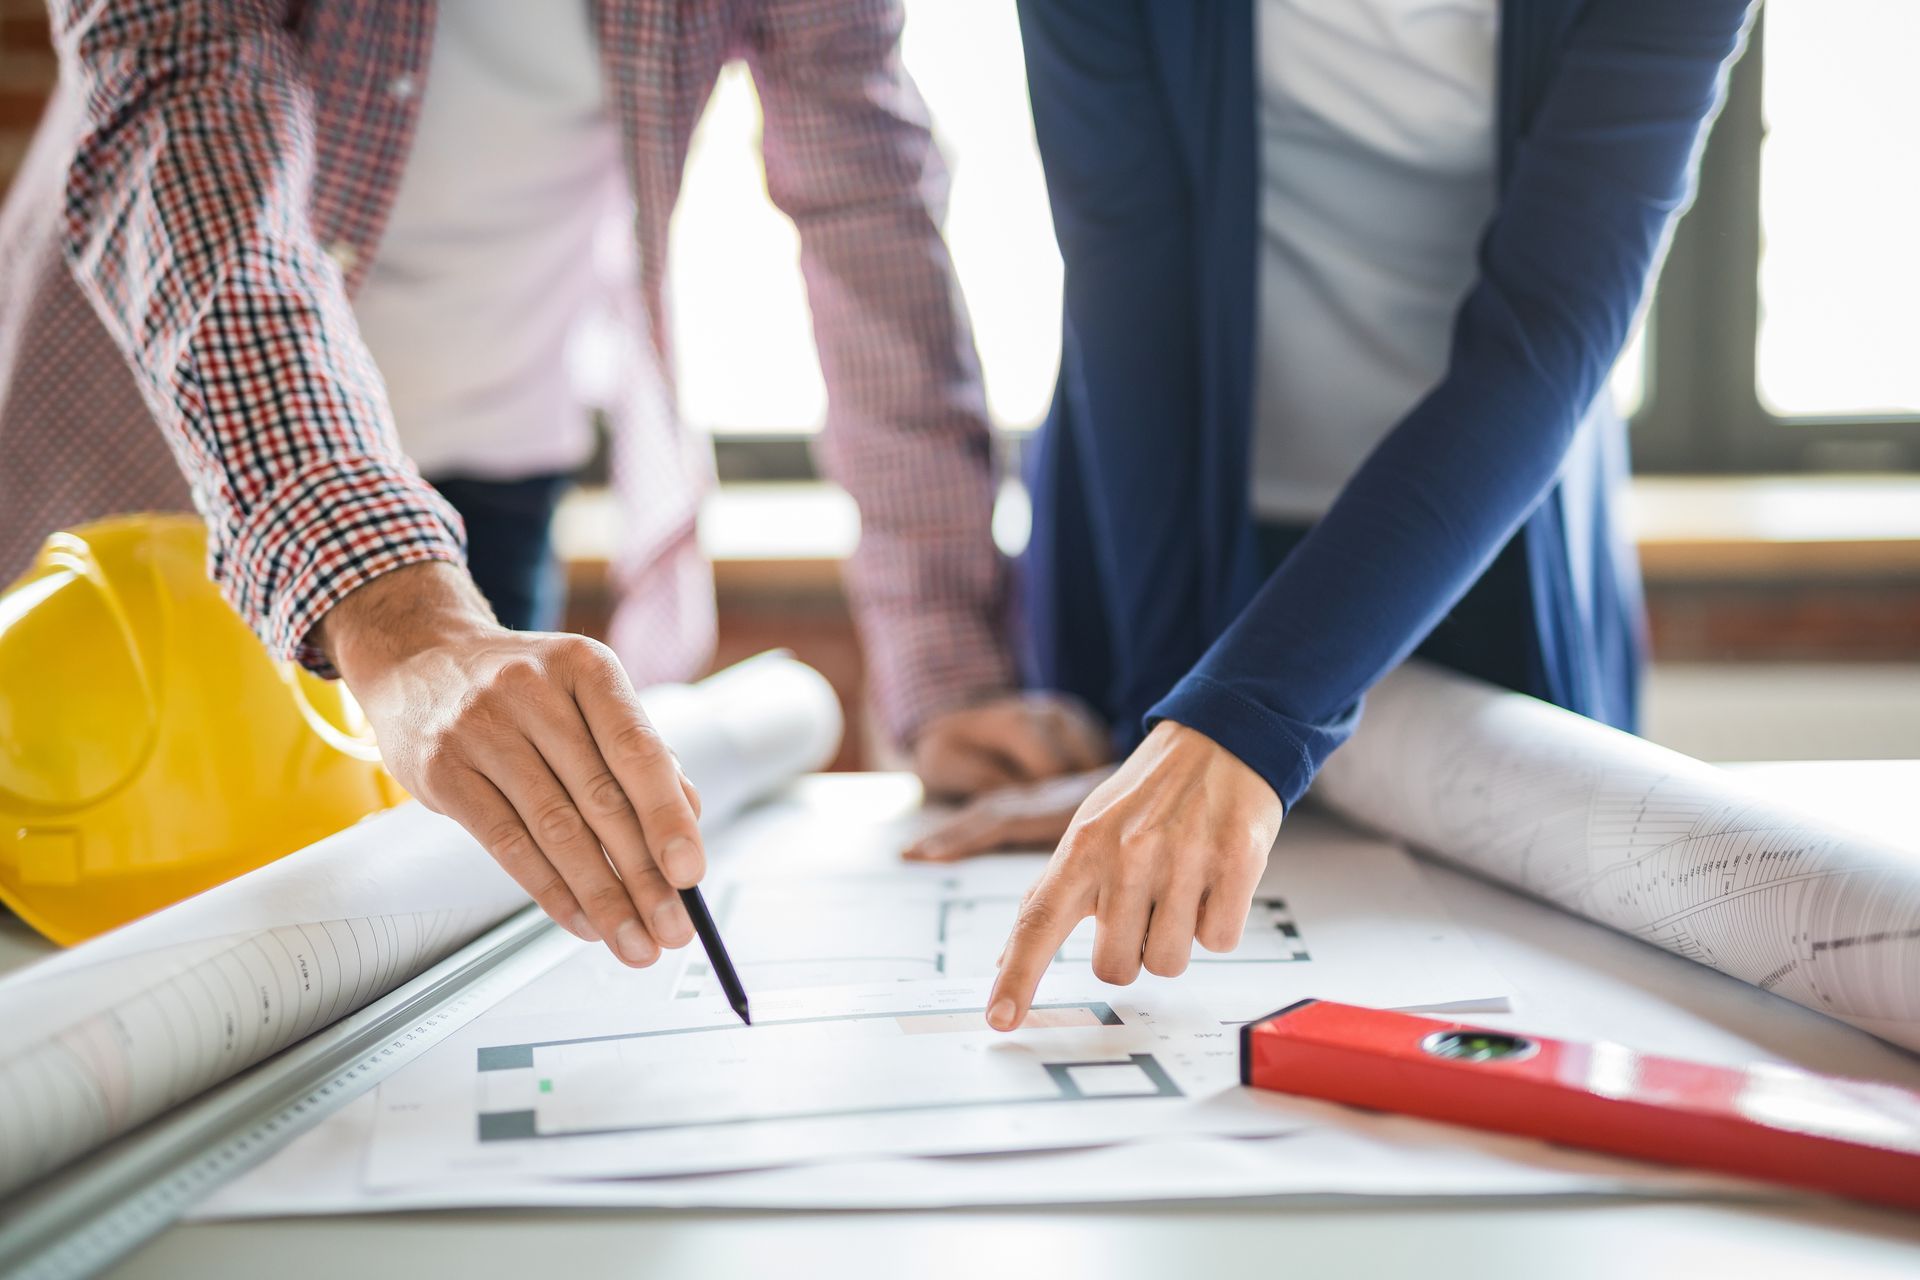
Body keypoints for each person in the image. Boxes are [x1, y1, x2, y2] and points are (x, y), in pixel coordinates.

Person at [0, 0, 1103, 969]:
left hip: (491, 478)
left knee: (410, 950)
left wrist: (952, 678)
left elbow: (866, 202)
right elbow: (174, 104)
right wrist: (401, 609)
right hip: (166, 459)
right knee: (121, 944)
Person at [903, 0, 1759, 1033]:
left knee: (1524, 1018)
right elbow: (1132, 274)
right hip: (1166, 533)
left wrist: (1247, 715)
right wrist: (1164, 719)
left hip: (1484, 529)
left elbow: (1546, 338)